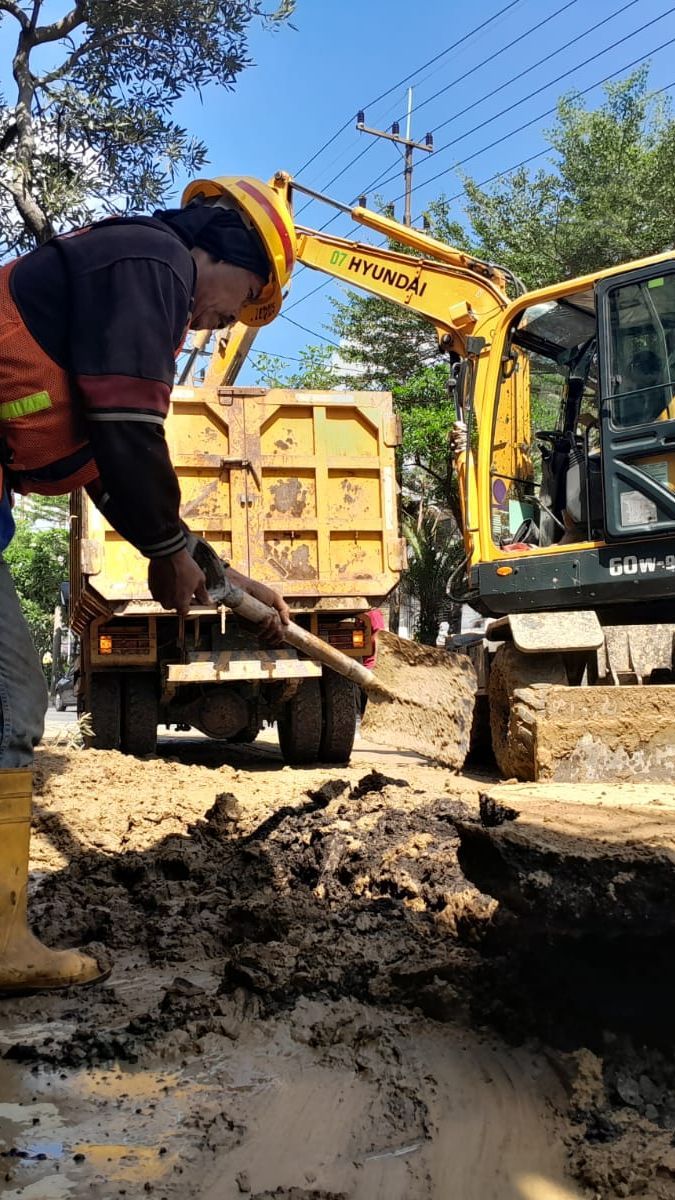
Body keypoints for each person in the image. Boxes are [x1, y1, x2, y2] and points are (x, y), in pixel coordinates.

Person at [0, 175, 296, 994]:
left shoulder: (123, 279)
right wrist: (168, 548)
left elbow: (106, 468)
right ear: (221, 252)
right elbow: (129, 437)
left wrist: (220, 573)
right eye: (238, 305)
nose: (219, 324)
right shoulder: (151, 262)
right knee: (11, 700)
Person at [360, 608, 385, 716]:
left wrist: (364, 644)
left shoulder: (372, 613)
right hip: (364, 664)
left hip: (371, 665)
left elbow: (380, 634)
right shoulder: (362, 614)